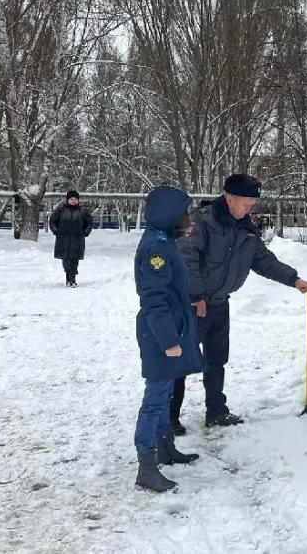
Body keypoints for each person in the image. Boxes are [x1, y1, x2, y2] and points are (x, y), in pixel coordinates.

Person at [171, 174, 307, 433]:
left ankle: (216, 411)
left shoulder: (245, 229)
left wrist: (294, 280)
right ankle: (169, 417)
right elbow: (185, 256)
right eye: (247, 202)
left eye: (253, 203)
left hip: (219, 304)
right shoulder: (199, 220)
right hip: (192, 304)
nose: (251, 208)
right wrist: (196, 296)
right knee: (182, 359)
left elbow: (264, 261)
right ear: (230, 198)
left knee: (216, 359)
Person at [133, 185, 207, 493]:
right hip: (160, 334)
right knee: (154, 399)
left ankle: (166, 449)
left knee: (163, 395)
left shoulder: (164, 241)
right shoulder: (157, 249)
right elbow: (153, 299)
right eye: (184, 213)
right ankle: (146, 466)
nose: (189, 218)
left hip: (171, 329)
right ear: (169, 215)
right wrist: (168, 340)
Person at [50, 191, 93, 287]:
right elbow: (52, 221)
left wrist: (86, 232)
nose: (73, 201)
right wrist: (56, 231)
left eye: (75, 199)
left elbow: (89, 223)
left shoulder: (83, 211)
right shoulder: (60, 210)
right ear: (67, 200)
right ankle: (68, 278)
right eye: (71, 199)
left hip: (77, 239)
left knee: (74, 259)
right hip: (63, 239)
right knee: (65, 259)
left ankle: (72, 279)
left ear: (78, 200)